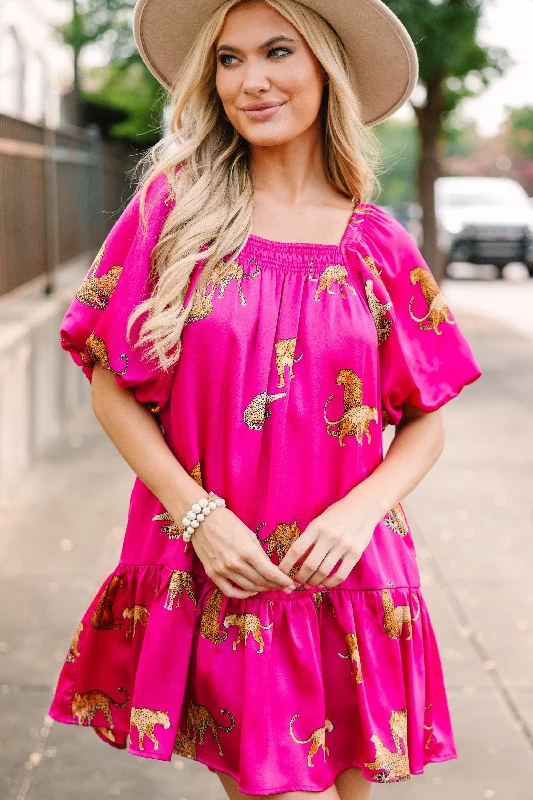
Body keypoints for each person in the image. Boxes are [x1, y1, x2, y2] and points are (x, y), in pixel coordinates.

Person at [48, 0, 483, 797]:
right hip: (227, 574)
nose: (250, 81)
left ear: (324, 67)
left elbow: (426, 421)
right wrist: (198, 518)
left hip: (350, 574)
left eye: (276, 52)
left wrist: (357, 515)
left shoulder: (376, 243)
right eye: (228, 59)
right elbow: (110, 381)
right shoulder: (174, 213)